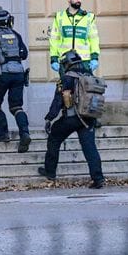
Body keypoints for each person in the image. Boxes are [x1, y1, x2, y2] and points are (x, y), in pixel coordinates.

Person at [38, 50, 105, 189]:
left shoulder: (66, 78)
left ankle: (50, 172)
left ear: (67, 64)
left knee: (54, 138)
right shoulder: (88, 75)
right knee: (90, 148)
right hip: (88, 118)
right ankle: (98, 178)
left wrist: (49, 118)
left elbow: (58, 100)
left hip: (71, 118)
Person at [0, 6, 31, 153]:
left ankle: (3, 134)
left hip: (2, 74)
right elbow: (24, 54)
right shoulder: (15, 34)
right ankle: (25, 133)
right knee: (16, 107)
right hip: (19, 74)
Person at [49, 0, 100, 77]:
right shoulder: (59, 17)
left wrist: (94, 58)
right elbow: (54, 39)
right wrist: (54, 58)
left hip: (84, 61)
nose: (78, 0)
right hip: (65, 60)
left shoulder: (88, 17)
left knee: (84, 88)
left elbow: (94, 39)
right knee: (66, 89)